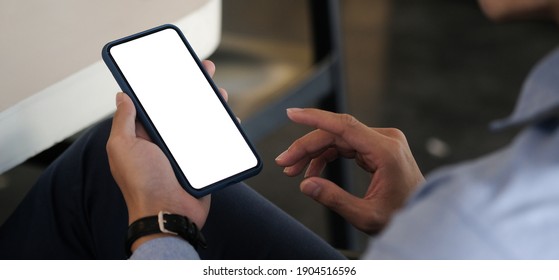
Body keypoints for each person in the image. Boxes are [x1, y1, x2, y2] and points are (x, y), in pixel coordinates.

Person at [2, 0, 559, 259]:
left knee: (126, 174)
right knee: (103, 161)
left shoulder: (478, 227)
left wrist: (163, 225)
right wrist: (417, 219)